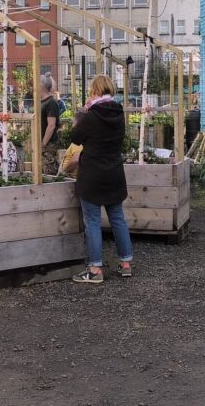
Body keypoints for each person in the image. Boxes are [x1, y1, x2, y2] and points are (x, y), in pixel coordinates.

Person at [70, 74, 133, 284]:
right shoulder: (120, 114)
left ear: (95, 91)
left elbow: (75, 138)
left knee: (93, 222)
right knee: (118, 219)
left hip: (92, 176)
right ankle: (125, 264)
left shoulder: (90, 116)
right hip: (114, 173)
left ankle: (95, 269)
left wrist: (81, 117)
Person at [38, 73, 62, 175]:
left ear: (41, 85)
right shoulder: (40, 102)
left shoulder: (51, 102)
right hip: (42, 142)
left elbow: (51, 125)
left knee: (48, 171)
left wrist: (43, 144)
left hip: (48, 143)